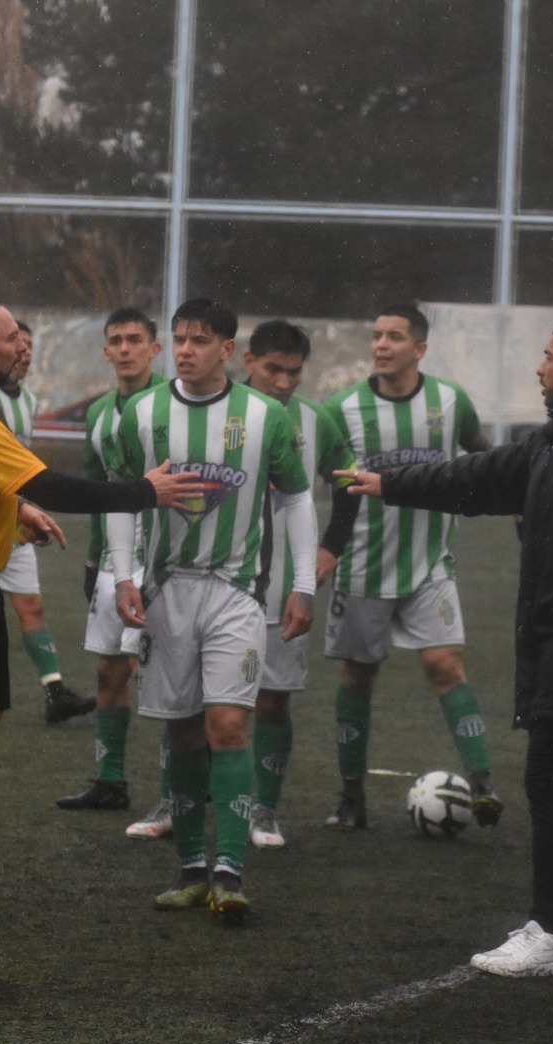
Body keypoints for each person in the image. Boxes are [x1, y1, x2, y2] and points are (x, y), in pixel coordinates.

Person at [341, 319, 553, 976]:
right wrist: (391, 485)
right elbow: (479, 477)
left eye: (547, 357)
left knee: (551, 776)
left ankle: (547, 934)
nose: (538, 368)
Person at [0, 296, 203, 906]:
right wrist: (145, 491)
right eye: (10, 339)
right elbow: (51, 482)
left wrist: (15, 507)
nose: (21, 347)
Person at [109, 298, 317, 922]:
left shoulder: (265, 416)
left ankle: (229, 871)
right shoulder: (141, 413)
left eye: (200, 340)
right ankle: (191, 871)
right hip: (165, 592)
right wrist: (124, 575)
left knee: (228, 726)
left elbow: (297, 501)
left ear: (229, 350)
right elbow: (121, 498)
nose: (185, 350)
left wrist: (301, 584)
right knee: (180, 729)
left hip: (236, 593)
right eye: (178, 339)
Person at [318, 304, 502, 831]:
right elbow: (337, 489)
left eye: (394, 337)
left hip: (430, 564)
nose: (381, 345)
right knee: (358, 676)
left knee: (445, 666)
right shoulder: (343, 409)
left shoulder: (450, 401)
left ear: (419, 349)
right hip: (363, 567)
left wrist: (511, 498)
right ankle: (352, 799)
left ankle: (484, 783)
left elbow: (481, 455)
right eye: (376, 336)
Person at [55, 308, 175, 840]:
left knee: (166, 680)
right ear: (106, 351)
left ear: (156, 348)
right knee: (109, 672)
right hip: (112, 564)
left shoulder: (175, 406)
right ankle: (111, 780)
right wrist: (91, 561)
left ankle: (176, 793)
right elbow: (98, 492)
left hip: (165, 561)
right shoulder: (101, 413)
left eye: (135, 340)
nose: (125, 349)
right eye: (116, 341)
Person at [239, 319, 356, 848]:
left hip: (283, 586)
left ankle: (264, 809)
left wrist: (331, 547)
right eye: (272, 369)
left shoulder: (316, 421)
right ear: (247, 361)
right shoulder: (219, 411)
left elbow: (348, 483)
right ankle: (175, 801)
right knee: (193, 705)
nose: (284, 382)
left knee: (271, 701)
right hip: (219, 579)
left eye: (293, 372)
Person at [0, 319, 97, 723]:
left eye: (29, 345)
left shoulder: (30, 402)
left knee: (31, 607)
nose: (24, 352)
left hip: (16, 524)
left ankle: (55, 694)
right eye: (16, 343)